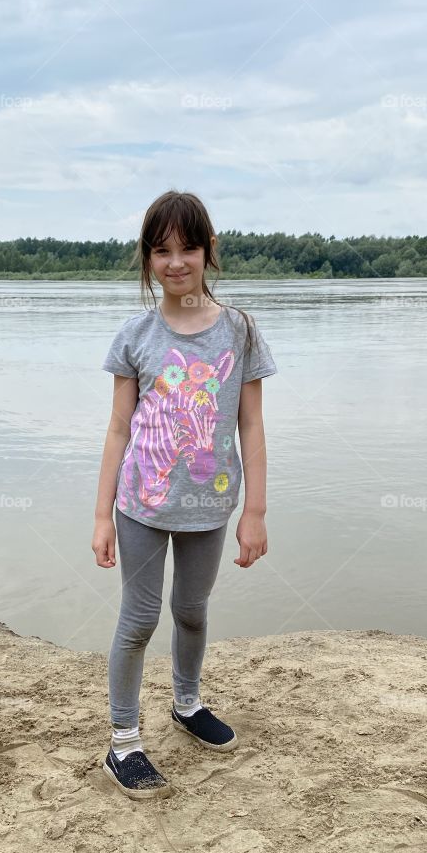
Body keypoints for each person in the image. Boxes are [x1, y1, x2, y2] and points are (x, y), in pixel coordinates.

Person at [91, 190, 278, 800]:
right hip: (140, 504)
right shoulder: (135, 335)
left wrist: (255, 511)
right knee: (140, 617)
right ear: (147, 259)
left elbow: (250, 424)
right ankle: (123, 741)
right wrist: (100, 516)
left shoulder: (240, 333)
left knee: (192, 611)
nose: (176, 262)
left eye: (188, 248)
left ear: (208, 252)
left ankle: (187, 703)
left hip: (209, 505)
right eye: (162, 249)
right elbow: (119, 426)